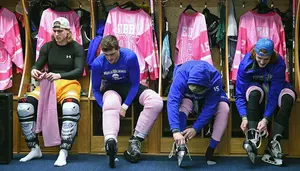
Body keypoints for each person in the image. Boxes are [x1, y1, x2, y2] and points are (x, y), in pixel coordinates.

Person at [17, 17, 85, 167]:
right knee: (24, 106)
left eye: (60, 31)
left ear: (68, 31)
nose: (56, 34)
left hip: (69, 84)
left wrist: (59, 75)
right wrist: (34, 70)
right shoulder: (47, 47)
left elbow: (79, 71)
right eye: (54, 31)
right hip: (49, 84)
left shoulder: (76, 48)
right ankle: (34, 148)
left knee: (70, 107)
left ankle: (64, 151)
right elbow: (38, 64)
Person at [91, 35, 163, 168]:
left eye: (112, 54)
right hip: (112, 89)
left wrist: (125, 105)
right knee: (110, 102)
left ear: (118, 48)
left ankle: (136, 140)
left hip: (131, 88)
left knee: (156, 102)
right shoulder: (97, 63)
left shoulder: (129, 57)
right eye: (106, 55)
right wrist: (103, 106)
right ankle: (110, 142)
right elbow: (96, 90)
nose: (110, 58)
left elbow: (135, 84)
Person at [235, 38, 296, 166]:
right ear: (254, 53)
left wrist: (266, 119)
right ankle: (252, 136)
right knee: (254, 93)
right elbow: (239, 94)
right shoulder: (245, 64)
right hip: (257, 87)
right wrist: (244, 116)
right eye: (259, 58)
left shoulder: (279, 63)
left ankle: (274, 142)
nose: (262, 62)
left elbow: (274, 95)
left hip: (275, 87)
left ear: (271, 56)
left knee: (288, 98)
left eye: (266, 59)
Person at [167, 60, 230, 167]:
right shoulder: (181, 75)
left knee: (224, 108)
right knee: (184, 104)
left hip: (208, 95)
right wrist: (175, 130)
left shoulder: (215, 79)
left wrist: (196, 128)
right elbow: (172, 101)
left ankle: (210, 150)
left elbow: (210, 107)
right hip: (188, 94)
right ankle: (181, 145)